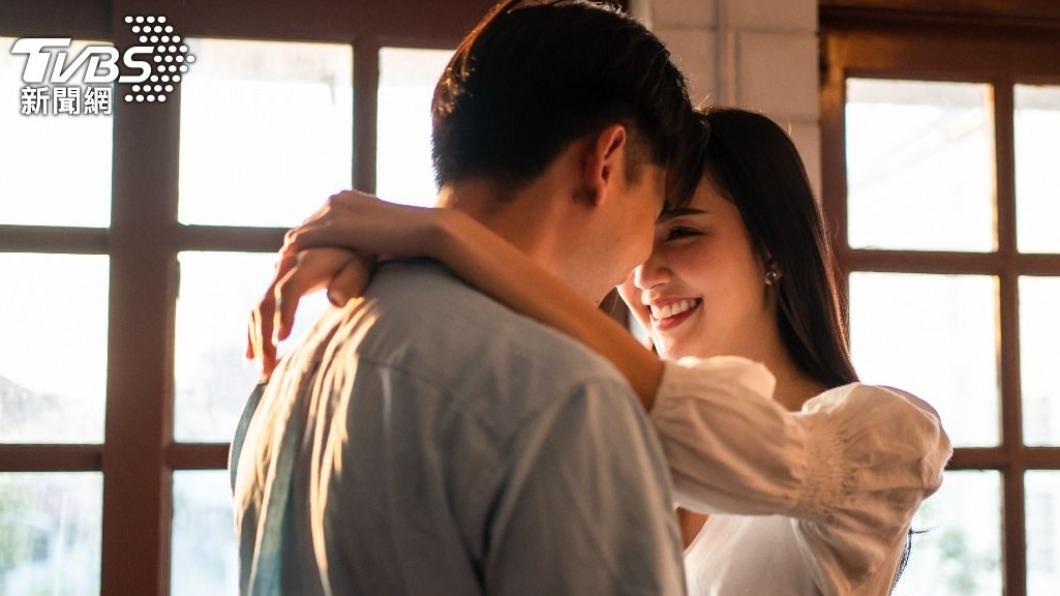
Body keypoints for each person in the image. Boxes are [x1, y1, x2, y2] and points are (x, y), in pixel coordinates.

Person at [251, 108, 953, 595]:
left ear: (771, 245)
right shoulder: (612, 422)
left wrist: (446, 235)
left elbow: (738, 445)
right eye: (641, 243)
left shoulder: (885, 433)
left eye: (683, 235)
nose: (646, 278)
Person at [230, 1, 711, 595]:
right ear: (606, 162)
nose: (643, 261)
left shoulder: (289, 378)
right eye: (657, 211)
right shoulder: (563, 395)